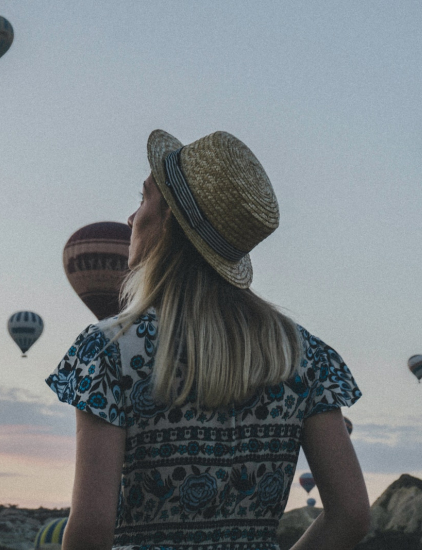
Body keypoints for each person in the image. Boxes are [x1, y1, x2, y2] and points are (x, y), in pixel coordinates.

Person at [47, 130, 370, 550]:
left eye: (143, 199)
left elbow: (91, 530)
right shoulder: (303, 355)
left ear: (170, 224)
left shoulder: (108, 352)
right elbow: (352, 514)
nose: (131, 218)